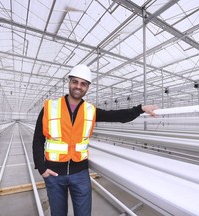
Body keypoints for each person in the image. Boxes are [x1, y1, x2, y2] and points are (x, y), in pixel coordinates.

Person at [32, 64, 158, 216]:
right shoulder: (50, 107)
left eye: (83, 84)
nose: (78, 86)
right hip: (54, 174)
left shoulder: (90, 111)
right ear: (69, 82)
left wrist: (140, 109)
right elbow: (38, 139)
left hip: (80, 174)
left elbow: (117, 116)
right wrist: (42, 168)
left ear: (87, 88)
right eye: (75, 82)